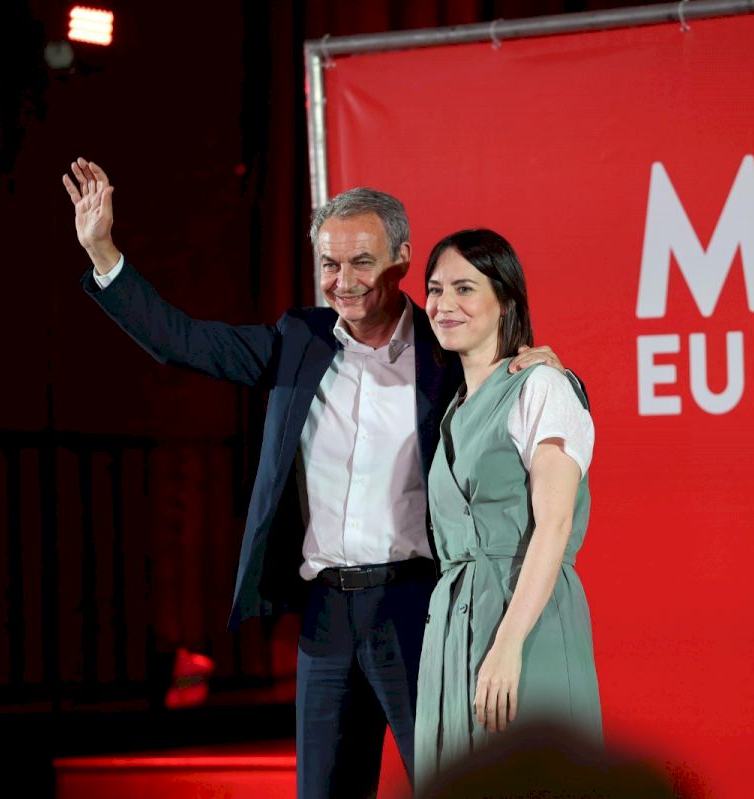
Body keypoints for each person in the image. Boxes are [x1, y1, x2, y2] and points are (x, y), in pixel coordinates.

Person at [60, 159, 568, 799]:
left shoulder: (445, 350)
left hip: (417, 607)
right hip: (325, 617)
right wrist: (103, 252)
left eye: (361, 262)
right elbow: (182, 340)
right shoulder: (298, 339)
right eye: (330, 263)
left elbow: (510, 370)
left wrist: (534, 358)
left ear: (402, 259)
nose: (343, 281)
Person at [414, 229, 602, 789]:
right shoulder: (453, 408)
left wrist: (509, 644)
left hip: (524, 619)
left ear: (506, 301)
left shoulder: (543, 386)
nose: (444, 304)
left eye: (464, 288)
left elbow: (555, 525)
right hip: (453, 630)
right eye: (435, 289)